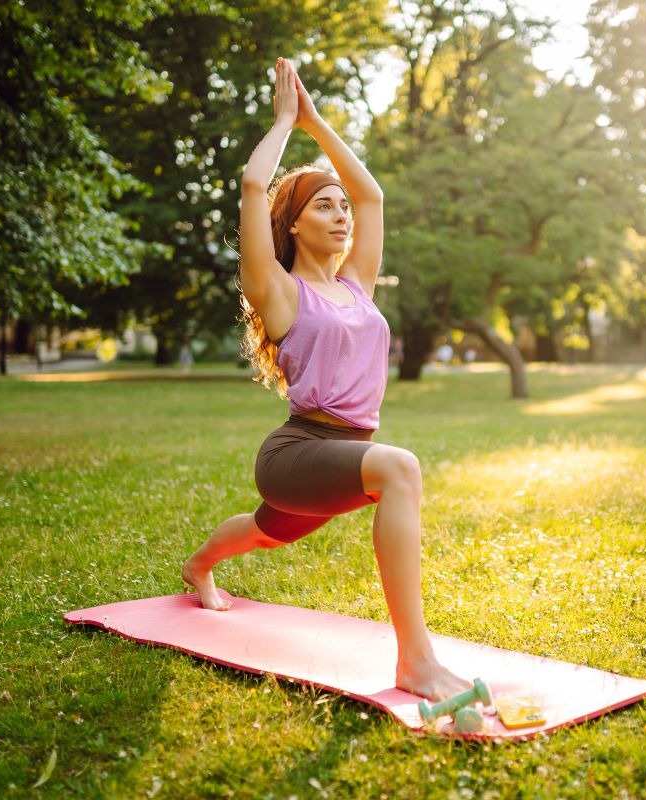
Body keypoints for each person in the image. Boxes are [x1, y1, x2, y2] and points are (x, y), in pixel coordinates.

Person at [181, 57, 472, 703]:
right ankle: (415, 662)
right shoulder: (279, 293)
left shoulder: (355, 286)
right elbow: (254, 189)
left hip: (334, 455)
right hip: (299, 451)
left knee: (264, 530)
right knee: (400, 468)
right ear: (294, 224)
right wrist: (285, 122)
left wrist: (318, 126)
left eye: (342, 208)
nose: (343, 215)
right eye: (325, 206)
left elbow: (374, 196)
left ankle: (198, 566)